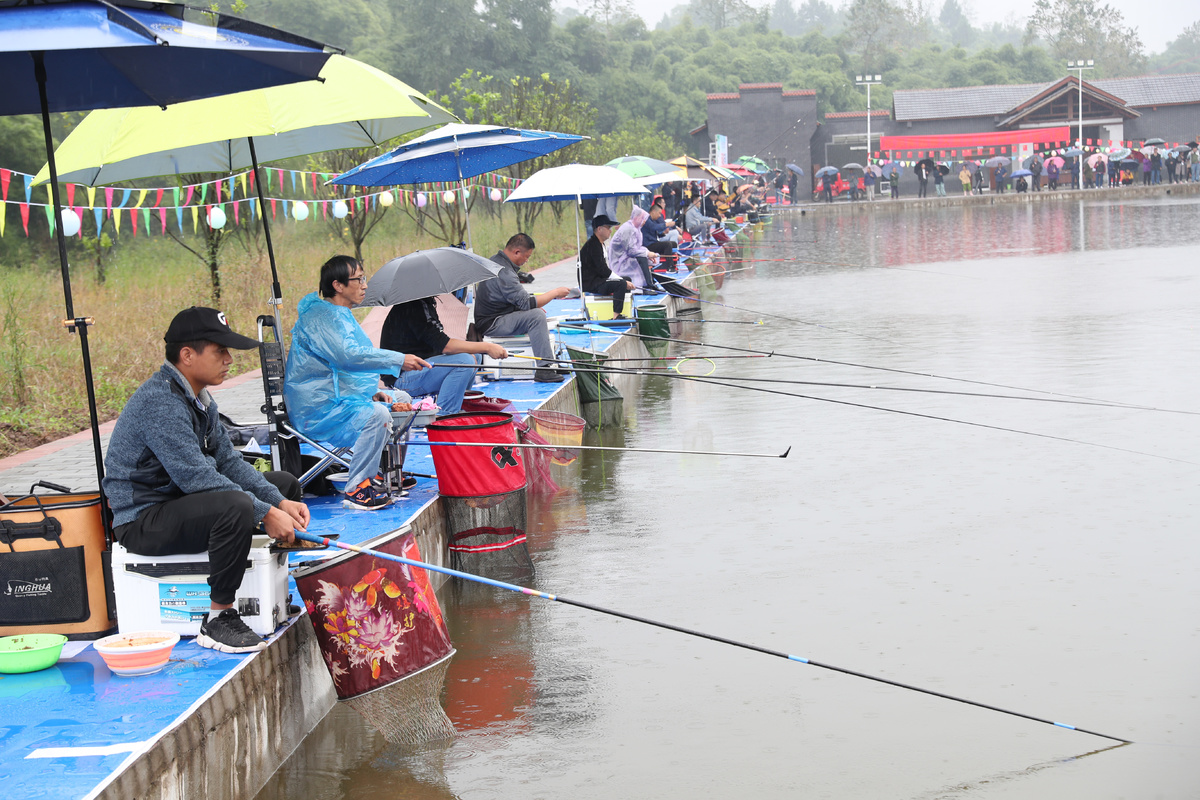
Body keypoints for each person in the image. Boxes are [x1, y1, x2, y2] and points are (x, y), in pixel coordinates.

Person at [104, 306, 310, 653]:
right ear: (187, 355)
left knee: (283, 485)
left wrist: (278, 503)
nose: (229, 359)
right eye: (220, 351)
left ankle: (269, 590)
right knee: (238, 506)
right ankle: (218, 618)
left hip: (179, 504)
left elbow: (227, 460)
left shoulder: (198, 396)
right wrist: (263, 512)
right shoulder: (160, 402)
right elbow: (195, 476)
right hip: (143, 520)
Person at [285, 256, 431, 511]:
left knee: (403, 400)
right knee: (376, 414)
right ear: (338, 285)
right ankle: (357, 488)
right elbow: (348, 357)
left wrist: (372, 391)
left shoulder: (339, 314)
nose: (365, 285)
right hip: (318, 408)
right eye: (359, 279)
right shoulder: (321, 317)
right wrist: (398, 359)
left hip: (338, 396)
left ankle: (387, 471)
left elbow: (341, 370)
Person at [379, 292, 508, 411]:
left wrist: (480, 349)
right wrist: (487, 347)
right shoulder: (413, 306)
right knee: (465, 361)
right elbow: (445, 346)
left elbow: (440, 342)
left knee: (475, 357)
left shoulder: (424, 303)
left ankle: (461, 405)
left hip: (419, 369)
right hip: (402, 379)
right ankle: (444, 417)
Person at [477, 233, 573, 383]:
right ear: (517, 252)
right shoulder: (505, 272)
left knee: (535, 313)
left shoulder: (496, 262)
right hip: (492, 323)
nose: (526, 261)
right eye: (527, 257)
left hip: (498, 315)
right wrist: (555, 293)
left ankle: (549, 361)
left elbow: (515, 299)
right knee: (536, 316)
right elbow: (526, 303)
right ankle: (544, 369)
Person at [580, 214, 634, 317]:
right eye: (608, 227)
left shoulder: (599, 244)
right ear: (599, 229)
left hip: (599, 280)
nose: (610, 230)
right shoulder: (592, 246)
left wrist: (623, 280)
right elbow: (603, 270)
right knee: (621, 283)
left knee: (626, 279)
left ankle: (625, 309)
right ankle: (616, 316)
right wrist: (621, 281)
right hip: (592, 284)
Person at [609, 206, 660, 291]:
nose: (644, 221)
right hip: (619, 262)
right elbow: (631, 251)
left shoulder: (636, 229)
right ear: (636, 217)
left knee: (646, 258)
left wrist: (648, 253)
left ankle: (650, 283)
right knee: (642, 258)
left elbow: (638, 247)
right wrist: (647, 254)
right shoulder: (627, 229)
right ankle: (648, 285)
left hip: (626, 257)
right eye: (642, 218)